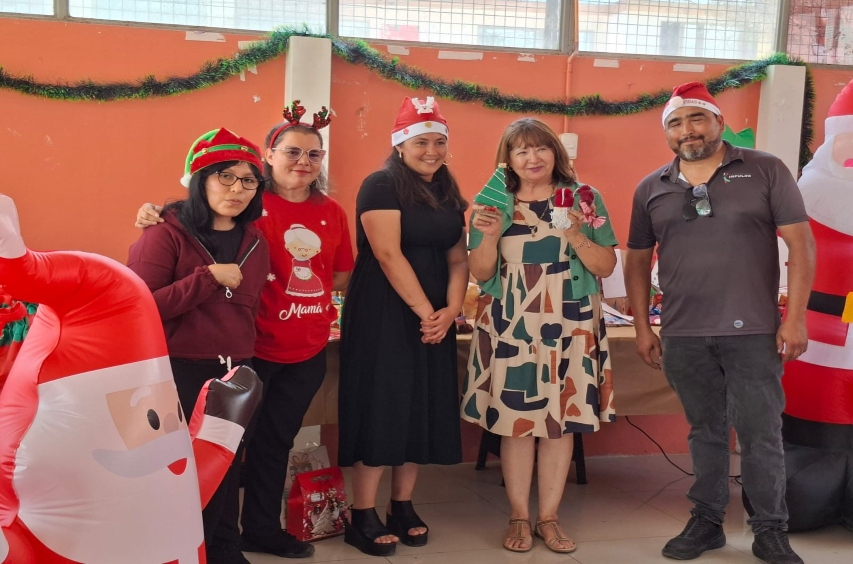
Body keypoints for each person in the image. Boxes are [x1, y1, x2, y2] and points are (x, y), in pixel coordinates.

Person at [135, 102, 354, 559]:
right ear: (270, 156)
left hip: (285, 352)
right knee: (222, 454)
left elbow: (336, 274)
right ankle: (208, 543)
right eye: (292, 151)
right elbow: (151, 291)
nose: (304, 162)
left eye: (315, 155)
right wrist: (156, 214)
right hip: (234, 354)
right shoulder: (240, 212)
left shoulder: (314, 215)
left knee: (268, 445)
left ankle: (253, 533)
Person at [623, 81, 816, 564]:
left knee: (760, 433)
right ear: (666, 132)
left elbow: (801, 246)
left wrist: (794, 319)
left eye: (696, 119)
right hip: (684, 332)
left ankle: (770, 528)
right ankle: (707, 521)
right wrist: (646, 329)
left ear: (718, 122)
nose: (687, 130)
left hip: (753, 331)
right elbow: (636, 261)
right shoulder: (652, 188)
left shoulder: (766, 170)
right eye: (675, 122)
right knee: (704, 431)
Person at [462, 117, 618, 554]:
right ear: (508, 159)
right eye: (521, 151)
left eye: (540, 148)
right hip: (513, 317)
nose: (532, 158)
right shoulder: (493, 203)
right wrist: (489, 237)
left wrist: (574, 234)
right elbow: (480, 272)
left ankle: (548, 517)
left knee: (560, 420)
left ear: (556, 153)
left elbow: (606, 267)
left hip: (570, 317)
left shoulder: (585, 199)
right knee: (516, 421)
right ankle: (518, 514)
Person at [127, 127, 270, 564]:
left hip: (237, 369)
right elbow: (141, 307)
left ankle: (225, 547)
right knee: (184, 469)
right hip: (180, 369)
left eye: (248, 180)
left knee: (228, 463)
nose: (237, 189)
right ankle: (186, 551)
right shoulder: (163, 234)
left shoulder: (256, 240)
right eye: (225, 176)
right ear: (201, 178)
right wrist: (207, 279)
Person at [337, 96, 468, 557]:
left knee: (421, 406)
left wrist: (451, 310)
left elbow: (457, 256)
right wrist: (425, 311)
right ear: (400, 145)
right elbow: (388, 254)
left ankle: (403, 505)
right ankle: (362, 514)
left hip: (434, 315)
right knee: (383, 405)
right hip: (385, 313)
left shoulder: (449, 190)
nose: (431, 150)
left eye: (438, 141)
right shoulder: (380, 185)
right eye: (420, 142)